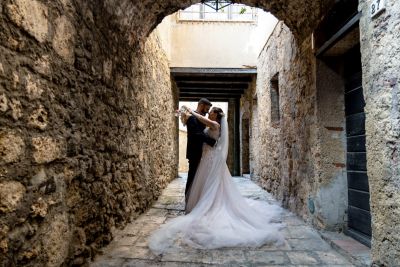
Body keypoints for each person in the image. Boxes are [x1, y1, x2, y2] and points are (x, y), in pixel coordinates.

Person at [148, 106, 284, 254]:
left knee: (213, 184)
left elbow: (201, 119)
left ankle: (211, 206)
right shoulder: (211, 124)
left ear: (217, 115)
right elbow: (199, 127)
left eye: (212, 111)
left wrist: (190, 111)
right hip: (208, 157)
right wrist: (185, 114)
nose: (209, 112)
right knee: (207, 183)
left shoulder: (216, 124)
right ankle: (204, 203)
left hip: (212, 158)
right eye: (209, 111)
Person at [183, 98, 216, 212]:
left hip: (202, 151)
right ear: (201, 105)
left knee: (198, 177)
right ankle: (188, 202)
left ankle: (196, 200)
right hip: (194, 151)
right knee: (192, 176)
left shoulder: (198, 117)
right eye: (206, 109)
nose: (207, 112)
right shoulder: (192, 118)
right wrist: (211, 142)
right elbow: (197, 134)